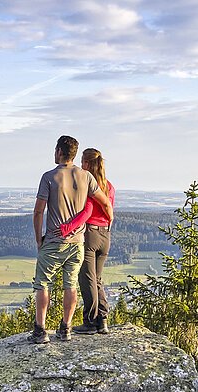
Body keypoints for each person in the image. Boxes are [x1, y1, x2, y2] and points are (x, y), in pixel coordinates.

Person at [30, 135, 113, 344]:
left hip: (54, 240)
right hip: (77, 242)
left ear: (59, 151)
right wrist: (110, 219)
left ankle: (40, 331)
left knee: (42, 284)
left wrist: (39, 239)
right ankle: (66, 327)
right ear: (74, 154)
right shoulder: (86, 177)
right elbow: (103, 201)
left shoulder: (49, 177)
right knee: (71, 285)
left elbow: (39, 211)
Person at [58, 147, 114, 334]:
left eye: (82, 162)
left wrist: (68, 227)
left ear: (88, 164)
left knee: (86, 279)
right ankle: (103, 320)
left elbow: (87, 211)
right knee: (96, 279)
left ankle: (90, 322)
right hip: (106, 235)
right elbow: (107, 206)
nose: (80, 165)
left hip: (90, 234)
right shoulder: (109, 186)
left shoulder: (89, 185)